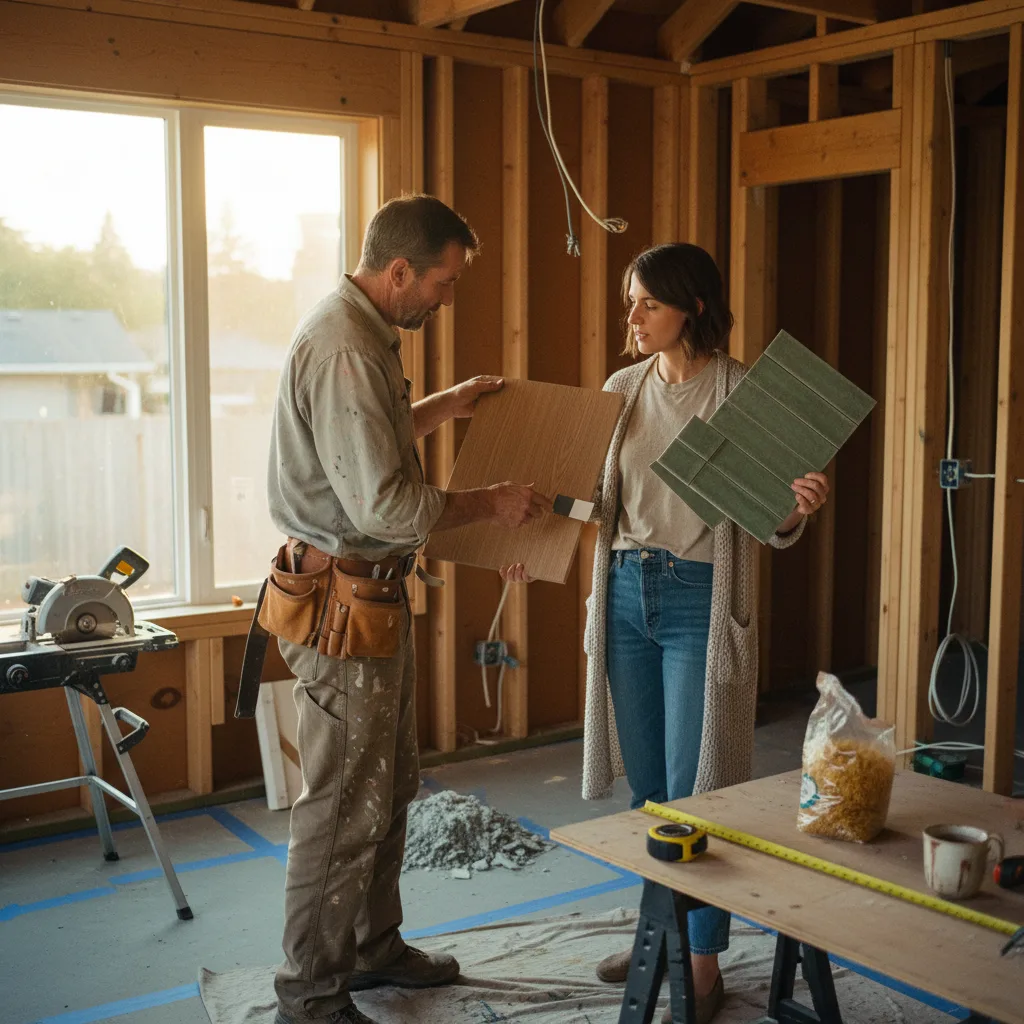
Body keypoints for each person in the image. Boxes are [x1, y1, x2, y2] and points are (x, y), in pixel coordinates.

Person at [502, 242, 827, 1024]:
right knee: (650, 789)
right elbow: (596, 507)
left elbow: (766, 518)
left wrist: (798, 506)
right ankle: (662, 938)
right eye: (631, 301)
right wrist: (530, 538)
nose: (633, 317)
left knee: (699, 790)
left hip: (697, 603)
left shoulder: (742, 392)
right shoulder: (621, 389)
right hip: (621, 595)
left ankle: (704, 964)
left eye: (647, 302)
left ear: (695, 306)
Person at [268, 193, 552, 1024]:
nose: (446, 297)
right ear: (399, 271)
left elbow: (365, 447)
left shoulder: (358, 331)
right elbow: (388, 505)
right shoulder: (347, 349)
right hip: (343, 605)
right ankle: (310, 996)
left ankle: (370, 950)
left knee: (386, 789)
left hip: (368, 601)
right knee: (342, 806)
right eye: (444, 282)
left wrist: (443, 406)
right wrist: (489, 503)